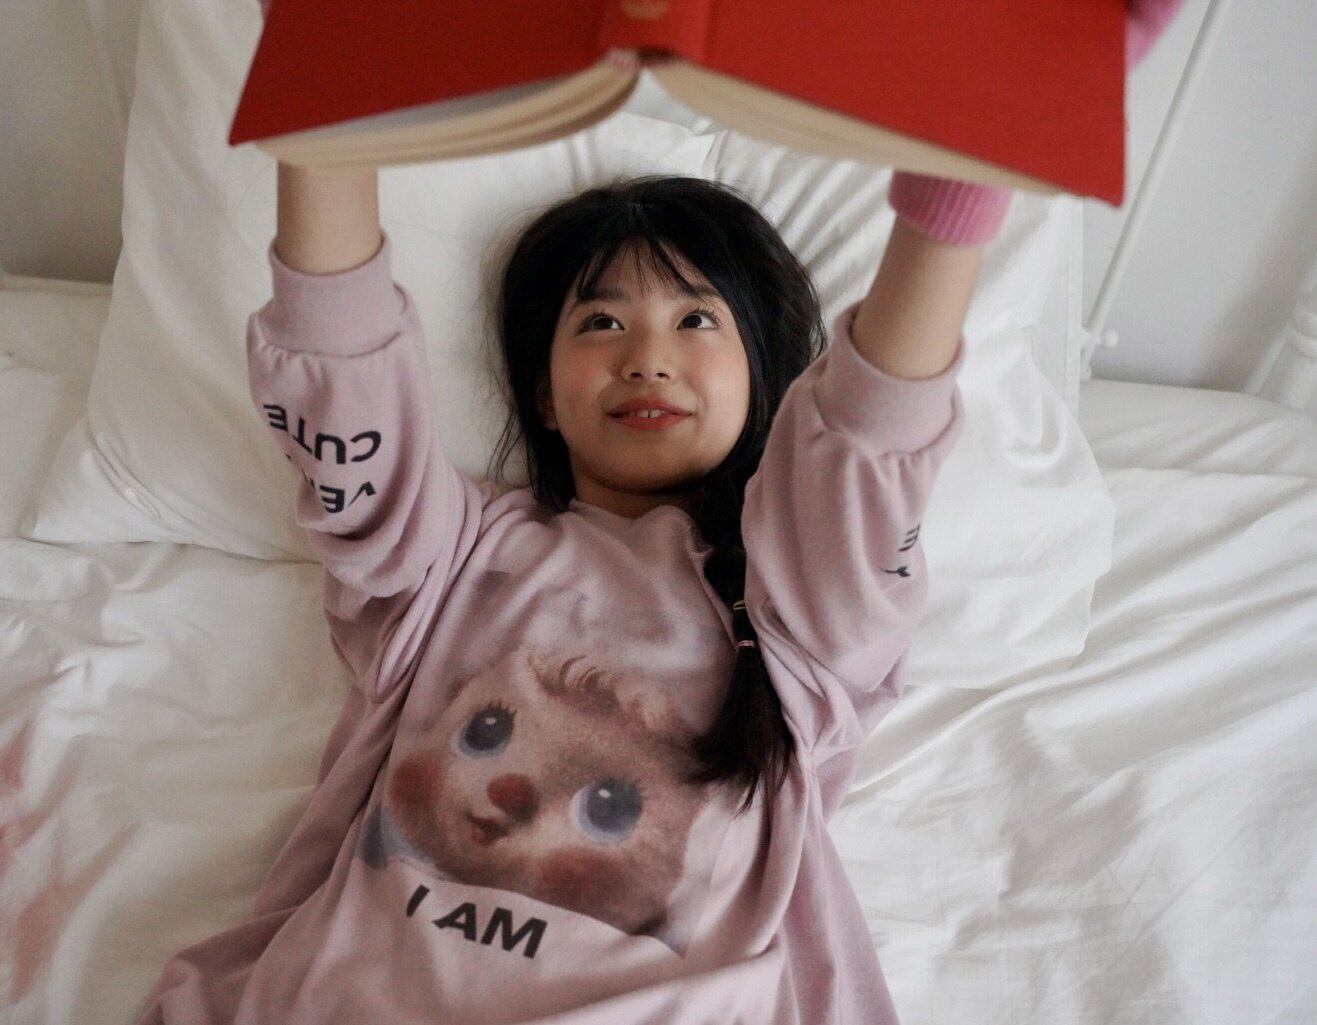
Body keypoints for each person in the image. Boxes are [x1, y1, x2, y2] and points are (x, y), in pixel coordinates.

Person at [138, 2, 1183, 1020]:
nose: (646, 356)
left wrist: (969, 163)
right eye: (600, 322)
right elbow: (341, 381)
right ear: (542, 394)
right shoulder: (449, 556)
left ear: (769, 382)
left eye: (696, 319)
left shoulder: (795, 611)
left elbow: (873, 444)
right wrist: (326, 61)